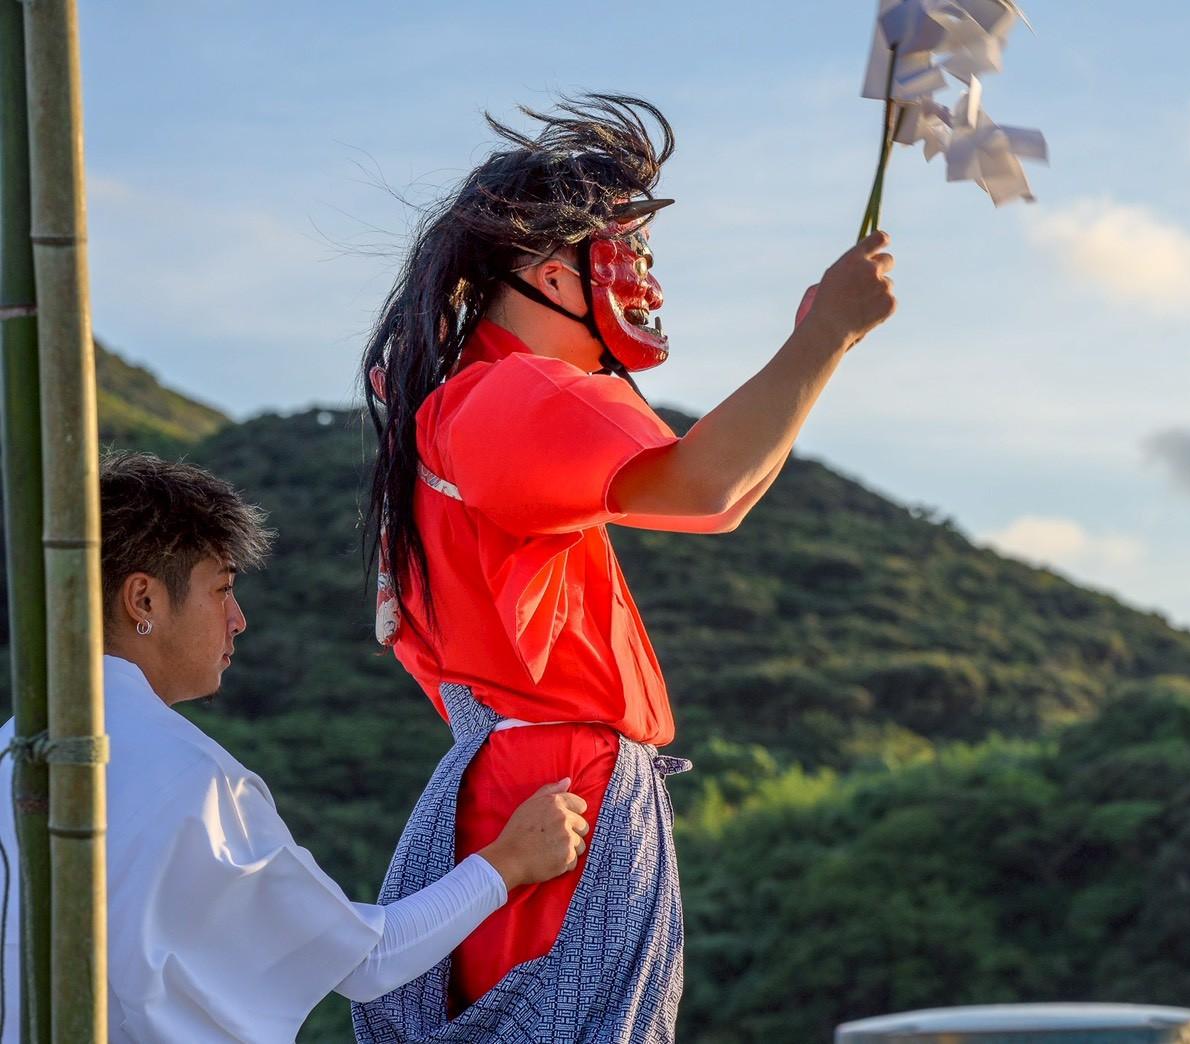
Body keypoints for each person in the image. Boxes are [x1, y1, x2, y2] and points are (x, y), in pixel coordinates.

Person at [355, 94, 895, 1040]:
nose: (642, 276)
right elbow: (709, 484)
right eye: (623, 248)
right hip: (553, 780)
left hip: (543, 772)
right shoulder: (506, 391)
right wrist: (824, 336)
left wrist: (826, 340)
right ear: (542, 267)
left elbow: (723, 492)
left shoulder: (464, 405)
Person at [0, 452, 594, 1043]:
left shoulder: (12, 751)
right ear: (144, 601)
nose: (238, 619)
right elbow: (367, 961)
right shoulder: (196, 782)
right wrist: (509, 861)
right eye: (222, 589)